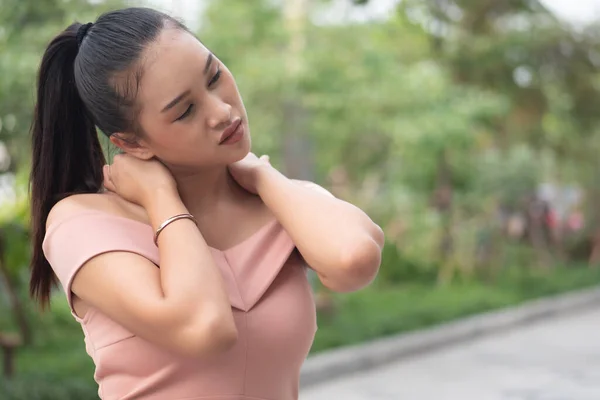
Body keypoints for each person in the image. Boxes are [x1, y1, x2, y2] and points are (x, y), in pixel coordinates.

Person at [28, 7, 384, 400]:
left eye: (214, 76)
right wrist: (161, 198)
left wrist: (260, 174)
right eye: (186, 111)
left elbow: (354, 261)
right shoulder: (84, 223)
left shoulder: (280, 201)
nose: (222, 112)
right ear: (132, 143)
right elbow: (205, 327)